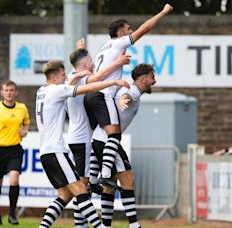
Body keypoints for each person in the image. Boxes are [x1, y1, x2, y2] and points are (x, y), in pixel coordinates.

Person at [84, 3, 173, 188]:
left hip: (91, 94)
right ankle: (105, 174)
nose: (131, 31)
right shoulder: (119, 42)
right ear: (120, 34)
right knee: (114, 135)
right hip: (103, 94)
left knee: (100, 136)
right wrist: (163, 12)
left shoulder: (105, 46)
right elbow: (145, 28)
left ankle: (93, 178)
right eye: (128, 29)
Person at [36, 60, 129, 228]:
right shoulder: (56, 91)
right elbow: (88, 88)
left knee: (65, 195)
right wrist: (115, 81)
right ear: (54, 76)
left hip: (45, 152)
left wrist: (77, 75)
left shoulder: (42, 91)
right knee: (81, 190)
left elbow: (66, 87)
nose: (66, 78)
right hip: (56, 151)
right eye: (63, 75)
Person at [66, 47, 130, 227]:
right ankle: (82, 225)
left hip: (77, 138)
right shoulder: (80, 78)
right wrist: (116, 73)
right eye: (91, 61)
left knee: (83, 186)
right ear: (85, 64)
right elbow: (96, 80)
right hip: (82, 139)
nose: (95, 64)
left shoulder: (72, 77)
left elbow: (83, 71)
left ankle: (95, 182)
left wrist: (79, 50)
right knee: (81, 188)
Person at [90, 64, 156, 228]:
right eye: (152, 77)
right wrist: (123, 99)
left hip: (99, 139)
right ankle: (134, 225)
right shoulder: (133, 91)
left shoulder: (133, 91)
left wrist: (121, 97)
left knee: (110, 185)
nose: (155, 81)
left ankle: (105, 225)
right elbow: (126, 96)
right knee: (128, 181)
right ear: (143, 78)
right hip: (108, 141)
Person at [0, 80, 30, 225]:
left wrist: (25, 131)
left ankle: (12, 214)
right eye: (6, 90)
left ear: (16, 92)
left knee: (14, 179)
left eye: (12, 90)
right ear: (2, 92)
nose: (9, 93)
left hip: (15, 150)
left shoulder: (22, 108)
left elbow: (26, 122)